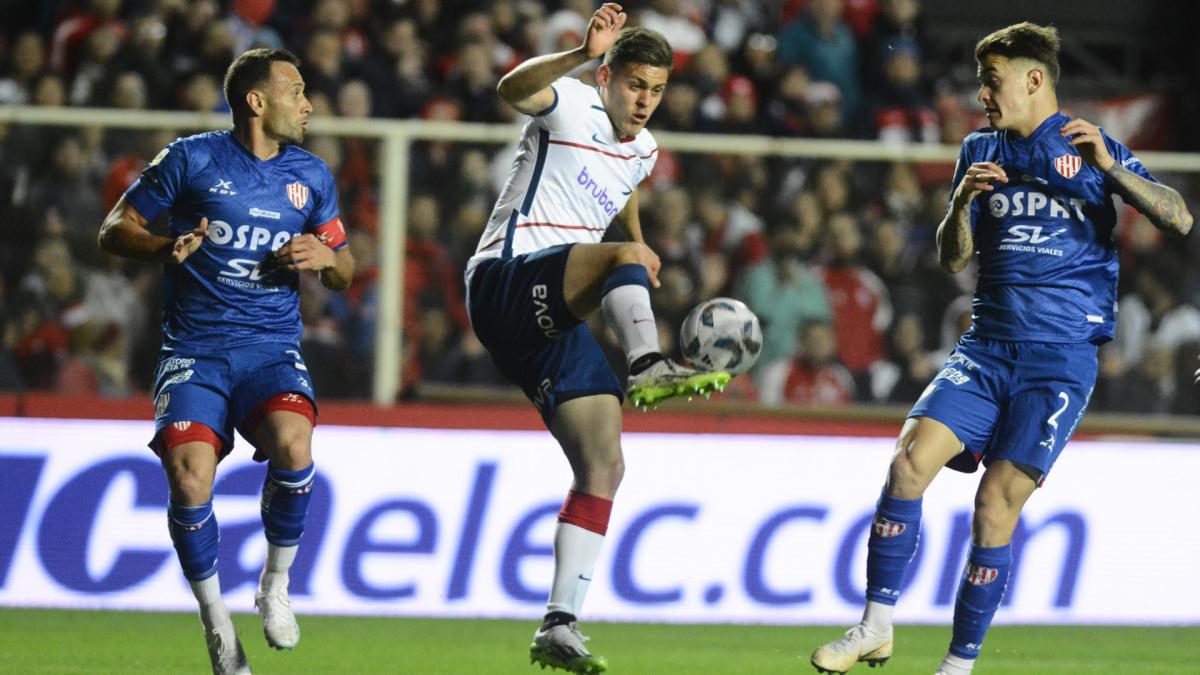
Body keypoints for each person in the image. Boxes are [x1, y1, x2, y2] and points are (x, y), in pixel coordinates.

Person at [810, 22, 1192, 675]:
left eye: (993, 81)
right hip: (985, 348)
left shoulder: (1091, 147)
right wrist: (959, 204)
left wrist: (1111, 170)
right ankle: (875, 626)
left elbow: (1177, 215)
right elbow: (954, 255)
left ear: (1034, 79)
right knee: (906, 466)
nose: (982, 94)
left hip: (1060, 358)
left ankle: (958, 666)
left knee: (994, 505)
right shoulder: (979, 149)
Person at [464, 5, 729, 673]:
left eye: (658, 90)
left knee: (604, 462)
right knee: (620, 260)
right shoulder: (573, 103)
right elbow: (510, 90)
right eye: (635, 84)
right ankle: (646, 363)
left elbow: (623, 185)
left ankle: (559, 622)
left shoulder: (644, 150)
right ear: (608, 77)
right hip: (504, 279)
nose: (645, 101)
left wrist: (635, 239)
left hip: (553, 316)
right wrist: (579, 53)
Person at [98, 48, 355, 675]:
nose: (309, 104)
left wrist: (327, 261)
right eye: (297, 90)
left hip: (271, 350)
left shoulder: (311, 175)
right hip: (194, 351)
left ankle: (275, 585)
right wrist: (164, 246)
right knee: (190, 479)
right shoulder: (191, 158)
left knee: (296, 446)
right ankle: (217, 622)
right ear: (257, 101)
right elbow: (113, 228)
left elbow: (346, 268)